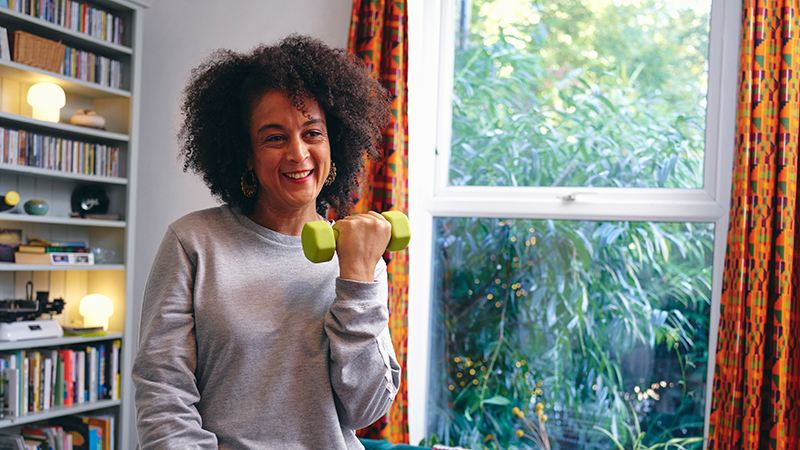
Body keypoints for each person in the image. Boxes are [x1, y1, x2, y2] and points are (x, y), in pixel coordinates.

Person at [131, 34, 401, 450]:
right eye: (275, 137)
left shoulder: (358, 258)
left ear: (335, 144)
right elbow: (163, 394)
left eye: (313, 133)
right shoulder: (193, 243)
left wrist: (358, 281)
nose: (298, 153)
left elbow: (367, 409)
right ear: (246, 153)